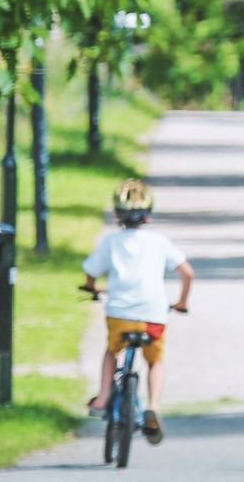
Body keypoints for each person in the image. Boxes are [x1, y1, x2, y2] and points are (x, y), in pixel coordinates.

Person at [82, 177, 193, 445]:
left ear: (117, 213)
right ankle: (153, 405)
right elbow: (188, 273)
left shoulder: (111, 242)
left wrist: (92, 288)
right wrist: (181, 302)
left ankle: (104, 395)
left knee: (112, 351)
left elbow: (90, 272)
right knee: (155, 361)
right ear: (148, 215)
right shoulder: (159, 242)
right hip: (153, 316)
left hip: (119, 314)